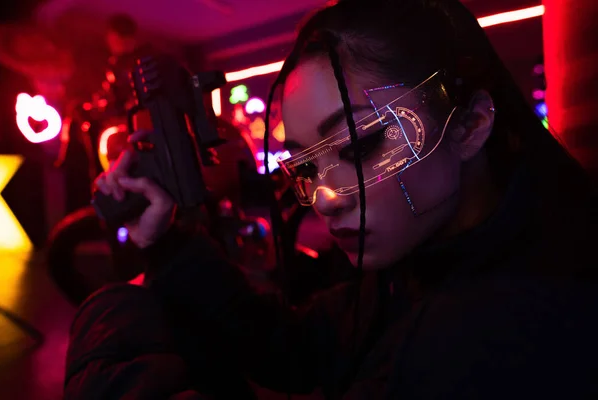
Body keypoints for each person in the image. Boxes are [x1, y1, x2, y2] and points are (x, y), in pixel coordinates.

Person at [64, 0, 598, 399]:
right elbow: (296, 347)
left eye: (360, 143)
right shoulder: (411, 265)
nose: (322, 196)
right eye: (307, 164)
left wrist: (110, 338)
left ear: (472, 124)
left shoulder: (515, 330)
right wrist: (166, 243)